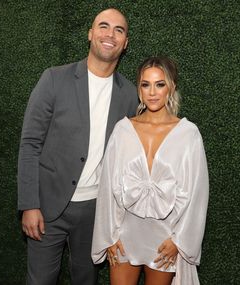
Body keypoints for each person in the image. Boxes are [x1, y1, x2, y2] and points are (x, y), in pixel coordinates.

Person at [17, 8, 138, 285]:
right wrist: (29, 204)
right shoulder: (54, 79)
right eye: (103, 26)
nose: (110, 34)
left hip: (96, 212)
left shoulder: (130, 95)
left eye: (119, 30)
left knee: (86, 280)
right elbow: (30, 144)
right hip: (47, 208)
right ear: (91, 34)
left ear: (125, 42)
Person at [91, 56, 209, 285]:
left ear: (171, 86)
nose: (152, 92)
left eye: (160, 84)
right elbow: (107, 186)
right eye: (146, 84)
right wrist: (109, 236)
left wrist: (179, 241)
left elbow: (197, 194)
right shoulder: (123, 129)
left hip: (164, 240)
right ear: (139, 89)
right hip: (124, 236)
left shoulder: (188, 134)